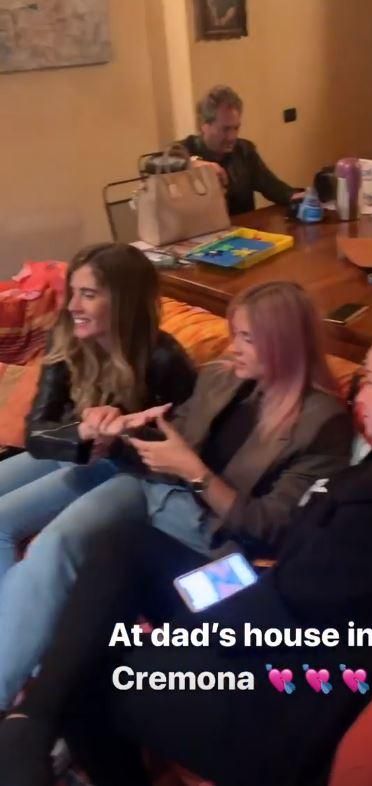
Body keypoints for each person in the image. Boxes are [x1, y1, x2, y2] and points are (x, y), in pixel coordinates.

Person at [0, 324, 372, 786]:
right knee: (127, 544)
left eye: (369, 379)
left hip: (281, 672)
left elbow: (290, 576)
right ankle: (30, 721)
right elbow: (302, 574)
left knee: (88, 672)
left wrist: (193, 626)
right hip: (267, 602)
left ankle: (34, 726)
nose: (359, 393)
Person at [0, 242, 196, 713]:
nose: (72, 305)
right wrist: (86, 433)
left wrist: (120, 435)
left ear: (123, 301)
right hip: (81, 452)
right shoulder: (66, 338)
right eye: (73, 292)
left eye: (88, 295)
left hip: (136, 473)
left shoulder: (166, 360)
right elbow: (38, 433)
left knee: (51, 539)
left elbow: (178, 457)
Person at [178, 85, 305, 214]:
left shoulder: (245, 150)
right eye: (225, 129)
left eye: (236, 128)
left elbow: (272, 186)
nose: (232, 137)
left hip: (242, 226)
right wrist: (190, 164)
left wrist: (298, 196)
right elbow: (165, 162)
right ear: (204, 125)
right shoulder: (184, 149)